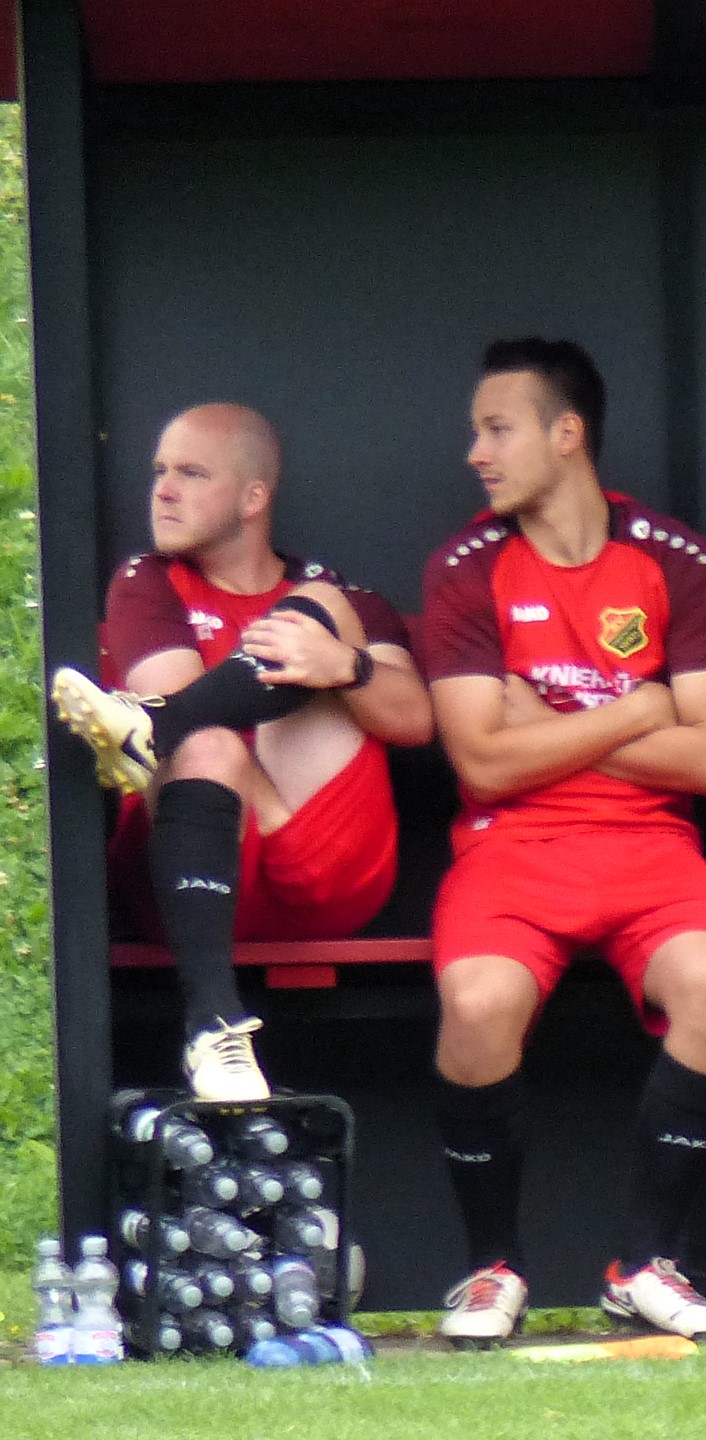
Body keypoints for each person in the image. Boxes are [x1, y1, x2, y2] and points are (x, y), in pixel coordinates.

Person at [418, 339, 706, 1345]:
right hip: (510, 851)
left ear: (567, 434)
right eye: (477, 431)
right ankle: (490, 1270)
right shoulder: (467, 567)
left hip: (652, 850)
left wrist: (552, 728)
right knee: (478, 1004)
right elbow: (483, 765)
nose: (476, 452)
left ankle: (643, 1265)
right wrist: (638, 710)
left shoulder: (675, 559)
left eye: (497, 429)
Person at [51, 403, 433, 1102]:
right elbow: (193, 730)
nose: (163, 491)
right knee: (207, 742)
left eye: (191, 474)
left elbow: (415, 722)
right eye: (159, 471)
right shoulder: (148, 581)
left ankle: (152, 726)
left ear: (254, 498)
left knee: (323, 610)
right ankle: (214, 1027)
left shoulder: (343, 595)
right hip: (187, 872)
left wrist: (342, 666)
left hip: (323, 874)